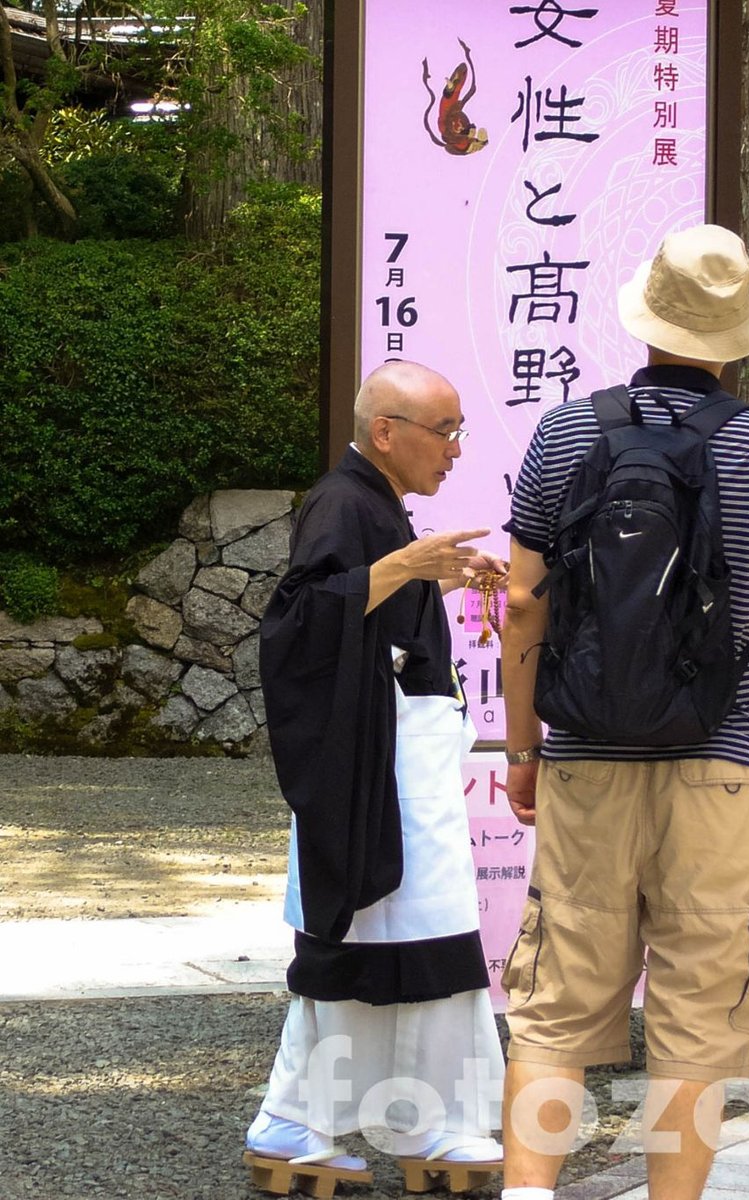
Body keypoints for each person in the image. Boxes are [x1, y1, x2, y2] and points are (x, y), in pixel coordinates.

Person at [498, 224, 749, 1200]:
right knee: (698, 1007)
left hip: (587, 757)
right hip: (724, 765)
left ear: (646, 319)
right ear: (737, 339)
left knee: (556, 1000)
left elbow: (524, 604)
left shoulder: (567, 433)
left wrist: (524, 748)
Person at [246, 360, 506, 1176]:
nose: (457, 449)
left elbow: (369, 597)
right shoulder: (342, 500)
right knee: (373, 926)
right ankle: (300, 1120)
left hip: (409, 749)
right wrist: (406, 566)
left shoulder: (382, 506)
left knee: (427, 933)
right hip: (375, 758)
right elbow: (297, 619)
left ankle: (413, 1122)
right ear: (385, 432)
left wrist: (440, 573)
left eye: (460, 429)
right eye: (446, 430)